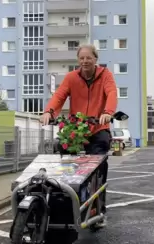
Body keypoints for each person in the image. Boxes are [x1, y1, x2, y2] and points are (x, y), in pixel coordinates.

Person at [40, 44, 117, 228]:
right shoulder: (71, 77)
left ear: (95, 59)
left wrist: (107, 111)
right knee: (66, 161)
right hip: (78, 130)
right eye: (81, 58)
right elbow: (59, 95)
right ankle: (67, 202)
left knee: (97, 169)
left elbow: (112, 93)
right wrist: (49, 112)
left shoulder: (105, 75)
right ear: (78, 60)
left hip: (98, 128)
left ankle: (99, 209)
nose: (85, 61)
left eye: (88, 58)